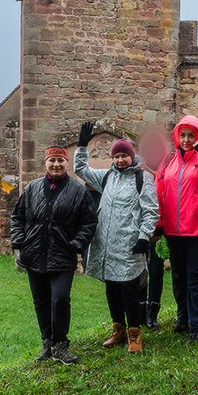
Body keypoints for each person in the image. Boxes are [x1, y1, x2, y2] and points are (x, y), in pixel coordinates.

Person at [74, 123, 159, 354]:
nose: (121, 160)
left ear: (132, 156)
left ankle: (135, 333)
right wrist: (82, 146)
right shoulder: (107, 177)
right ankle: (118, 329)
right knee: (111, 288)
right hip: (107, 244)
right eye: (117, 156)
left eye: (124, 156)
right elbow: (81, 169)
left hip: (130, 244)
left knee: (129, 289)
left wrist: (144, 236)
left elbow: (151, 211)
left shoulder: (142, 178)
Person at [10, 146, 98, 364]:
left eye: (60, 160)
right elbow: (17, 217)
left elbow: (89, 222)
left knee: (59, 299)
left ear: (66, 163)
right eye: (52, 160)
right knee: (41, 302)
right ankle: (47, 342)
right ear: (46, 163)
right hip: (34, 254)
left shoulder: (78, 191)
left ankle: (60, 345)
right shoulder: (32, 188)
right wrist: (19, 240)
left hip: (62, 256)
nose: (56, 164)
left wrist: (76, 244)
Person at [154, 115, 198, 343]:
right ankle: (183, 318)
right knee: (178, 277)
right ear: (177, 137)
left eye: (191, 135)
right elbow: (159, 192)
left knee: (195, 278)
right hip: (173, 230)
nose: (186, 139)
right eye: (183, 135)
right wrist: (159, 224)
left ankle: (197, 325)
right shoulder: (169, 162)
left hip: (197, 231)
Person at [137, 126, 171, 329]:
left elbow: (164, 185)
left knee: (156, 271)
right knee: (140, 271)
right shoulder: (136, 169)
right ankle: (141, 310)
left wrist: (147, 170)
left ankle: (153, 313)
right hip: (140, 228)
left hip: (159, 228)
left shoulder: (167, 167)